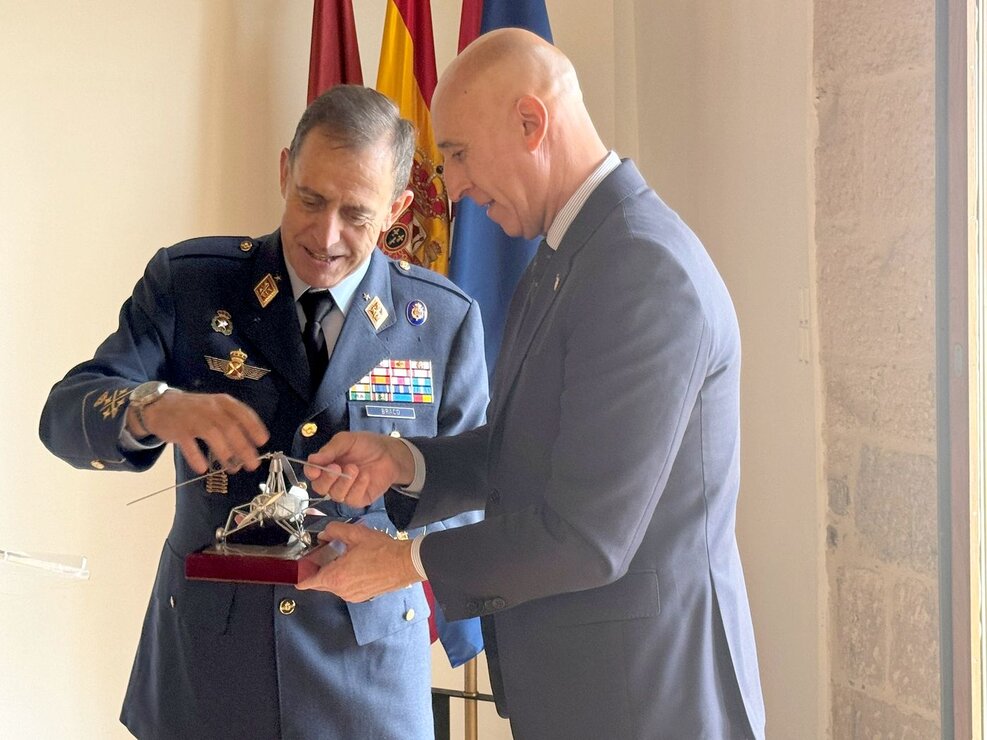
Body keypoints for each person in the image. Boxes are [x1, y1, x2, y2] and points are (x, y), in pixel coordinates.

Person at [298, 28, 767, 740]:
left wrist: (403, 562)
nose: (448, 186)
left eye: (455, 152)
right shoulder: (572, 253)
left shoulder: (639, 268)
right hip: (592, 689)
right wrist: (409, 461)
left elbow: (585, 536)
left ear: (530, 123)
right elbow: (536, 446)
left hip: (645, 699)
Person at [39, 85, 488, 739]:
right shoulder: (192, 283)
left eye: (356, 214)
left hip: (363, 688)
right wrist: (155, 408)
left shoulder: (441, 322)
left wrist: (402, 478)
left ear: (397, 208)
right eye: (309, 199)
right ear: (284, 171)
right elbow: (65, 415)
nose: (325, 235)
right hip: (207, 676)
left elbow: (476, 498)